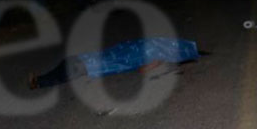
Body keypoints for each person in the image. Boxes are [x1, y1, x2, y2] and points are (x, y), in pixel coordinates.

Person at [28, 37, 202, 89]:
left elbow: (140, 65)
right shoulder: (156, 53)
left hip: (90, 61)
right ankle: (40, 81)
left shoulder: (151, 44)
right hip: (92, 64)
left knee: (66, 69)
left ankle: (39, 81)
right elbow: (142, 69)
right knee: (66, 71)